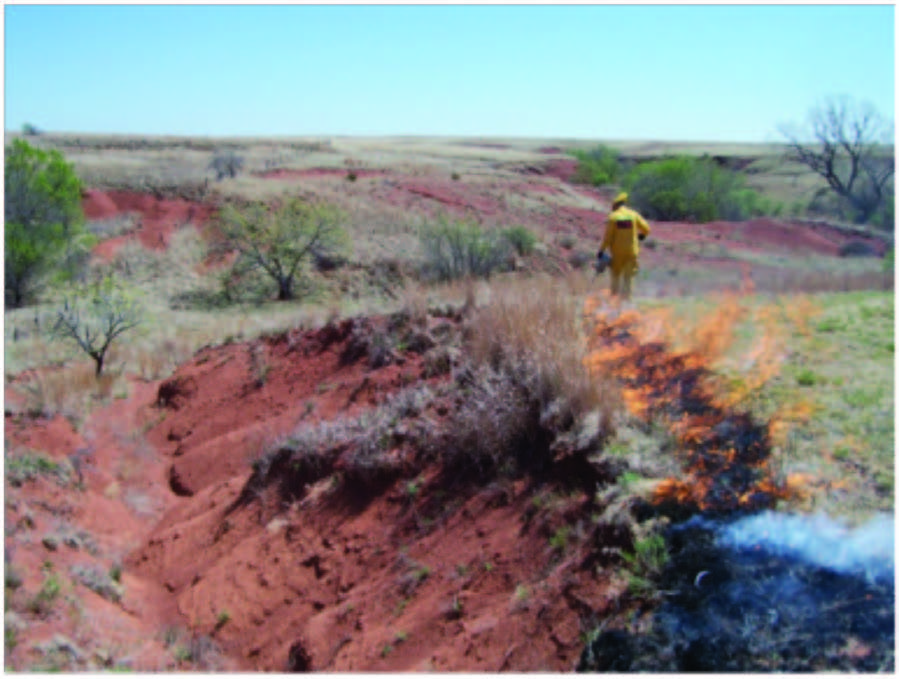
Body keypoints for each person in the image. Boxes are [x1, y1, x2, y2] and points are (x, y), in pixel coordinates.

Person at [598, 192, 651, 300]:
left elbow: (608, 238)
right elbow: (646, 229)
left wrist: (601, 250)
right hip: (632, 251)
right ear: (625, 204)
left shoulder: (613, 217)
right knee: (628, 278)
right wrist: (641, 236)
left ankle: (614, 302)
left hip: (617, 253)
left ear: (616, 205)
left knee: (615, 276)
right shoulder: (633, 215)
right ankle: (628, 303)